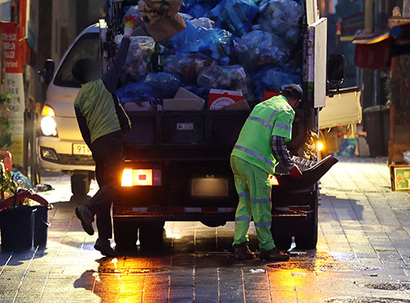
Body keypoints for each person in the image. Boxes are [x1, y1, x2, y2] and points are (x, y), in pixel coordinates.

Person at [72, 17, 136, 257]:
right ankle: (87, 209)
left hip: (98, 145)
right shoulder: (104, 83)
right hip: (111, 141)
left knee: (106, 192)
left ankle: (103, 241)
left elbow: (84, 131)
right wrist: (127, 35)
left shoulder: (79, 100)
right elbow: (119, 62)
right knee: (116, 186)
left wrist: (94, 148)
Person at [231, 84, 304, 262]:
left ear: (282, 94)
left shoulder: (264, 105)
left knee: (245, 204)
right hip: (254, 162)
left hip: (238, 157)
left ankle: (239, 245)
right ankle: (267, 247)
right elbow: (277, 142)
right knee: (261, 205)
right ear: (297, 102)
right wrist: (290, 166)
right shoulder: (286, 111)